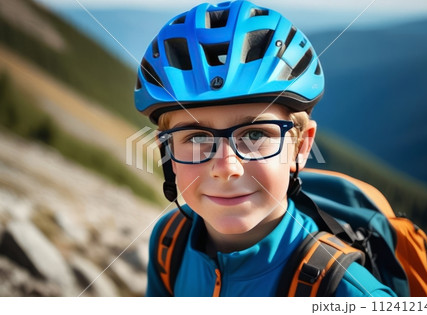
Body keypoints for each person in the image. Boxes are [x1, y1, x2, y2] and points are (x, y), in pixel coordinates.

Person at [134, 0, 396, 297]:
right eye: (196, 138)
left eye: (255, 133)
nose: (226, 168)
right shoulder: (170, 241)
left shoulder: (350, 293)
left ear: (301, 145)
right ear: (167, 151)